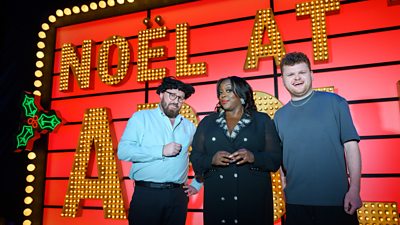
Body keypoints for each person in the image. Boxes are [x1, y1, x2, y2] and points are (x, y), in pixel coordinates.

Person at [274, 52, 362, 225]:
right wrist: (284, 188)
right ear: (283, 79)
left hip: (336, 201)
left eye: (302, 72)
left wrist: (354, 189)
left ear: (312, 74)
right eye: (290, 74)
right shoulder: (279, 116)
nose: (297, 78)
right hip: (296, 204)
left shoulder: (336, 103)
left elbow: (351, 146)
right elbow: (281, 158)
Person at [190, 76, 282, 225]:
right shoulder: (208, 122)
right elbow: (195, 158)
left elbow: (275, 160)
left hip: (253, 199)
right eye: (220, 92)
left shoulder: (262, 120)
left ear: (242, 94)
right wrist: (211, 160)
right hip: (218, 199)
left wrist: (253, 157)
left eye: (228, 90)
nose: (223, 95)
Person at [117, 77, 201, 225]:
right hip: (147, 195)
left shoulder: (189, 127)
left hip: (178, 196)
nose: (176, 101)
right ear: (161, 94)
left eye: (181, 98)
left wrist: (197, 183)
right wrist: (161, 150)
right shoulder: (141, 118)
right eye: (172, 95)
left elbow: (200, 156)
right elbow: (123, 151)